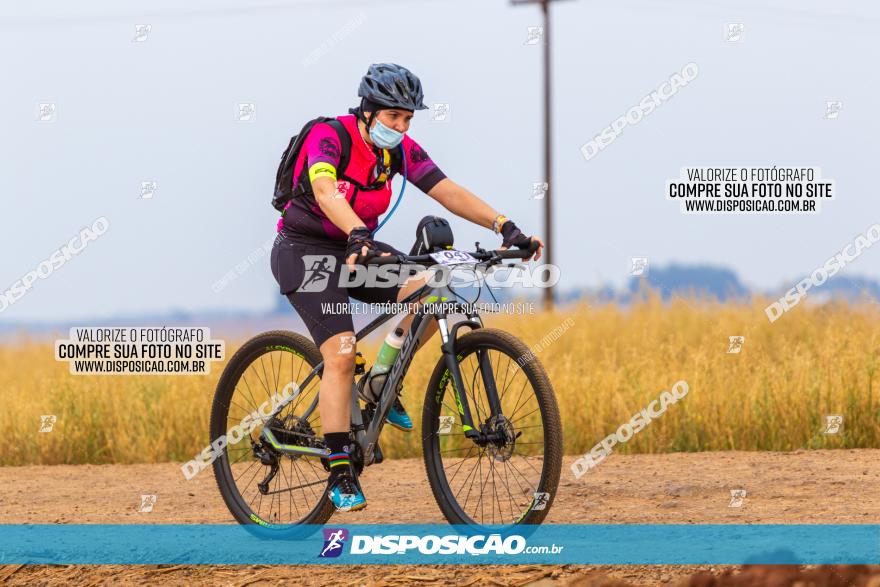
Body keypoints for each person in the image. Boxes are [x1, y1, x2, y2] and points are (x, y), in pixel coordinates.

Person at [270, 63, 544, 512]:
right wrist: (357, 232)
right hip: (307, 252)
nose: (401, 126)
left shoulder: (396, 151)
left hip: (358, 246)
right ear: (368, 110)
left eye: (408, 119)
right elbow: (325, 190)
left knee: (433, 289)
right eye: (394, 117)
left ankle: (380, 383)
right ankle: (340, 470)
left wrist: (505, 226)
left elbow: (445, 189)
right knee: (339, 353)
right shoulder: (330, 137)